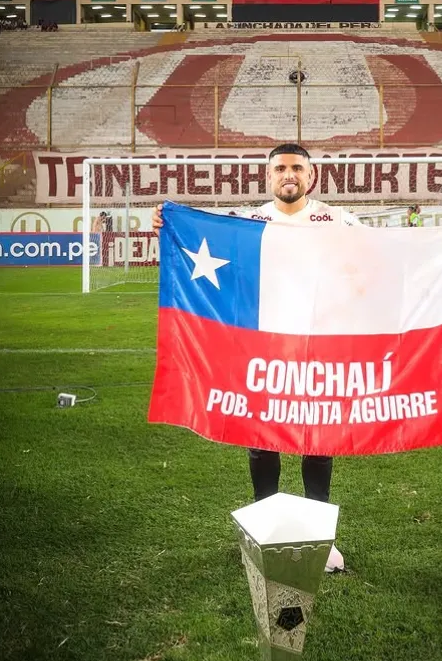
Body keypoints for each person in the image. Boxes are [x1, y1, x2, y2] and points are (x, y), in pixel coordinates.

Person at [152, 143, 362, 573]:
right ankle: (266, 531)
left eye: (297, 168)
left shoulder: (338, 220)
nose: (289, 174)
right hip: (261, 350)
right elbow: (202, 246)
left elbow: (386, 254)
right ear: (267, 177)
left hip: (316, 347)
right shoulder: (247, 222)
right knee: (261, 437)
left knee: (317, 440)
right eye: (281, 168)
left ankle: (318, 539)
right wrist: (166, 222)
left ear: (311, 176)